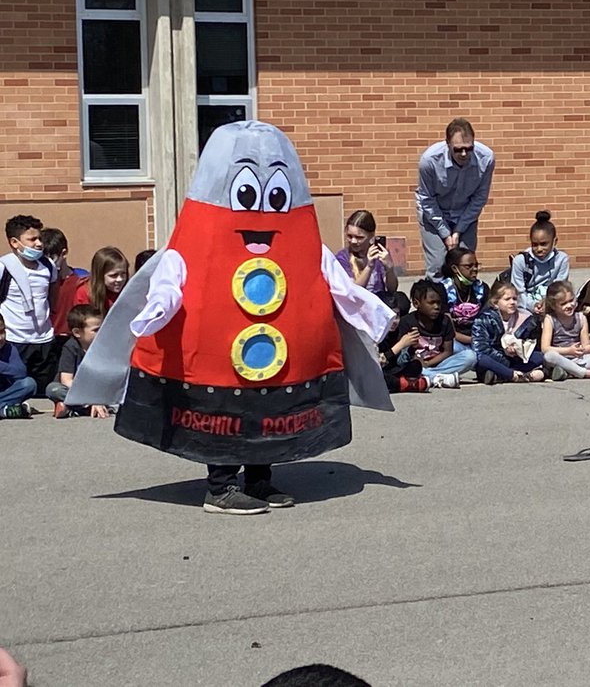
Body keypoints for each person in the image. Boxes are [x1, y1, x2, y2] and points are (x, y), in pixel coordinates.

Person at [64, 121, 398, 516]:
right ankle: (220, 488)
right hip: (216, 363)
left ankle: (259, 480)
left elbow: (340, 286)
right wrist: (156, 311)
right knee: (222, 419)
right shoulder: (196, 238)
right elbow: (171, 275)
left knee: (268, 414)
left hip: (278, 360)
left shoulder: (303, 241)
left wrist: (375, 314)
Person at [415, 117, 495, 277]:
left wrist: (458, 230)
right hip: (434, 214)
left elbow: (479, 198)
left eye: (468, 148)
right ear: (447, 144)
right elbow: (427, 200)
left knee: (466, 264)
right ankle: (439, 300)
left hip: (465, 213)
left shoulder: (486, 158)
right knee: (438, 265)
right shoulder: (429, 161)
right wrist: (445, 233)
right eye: (458, 149)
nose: (464, 154)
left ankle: (465, 302)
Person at [0, 215, 57, 393]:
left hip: (44, 339)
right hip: (15, 340)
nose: (39, 243)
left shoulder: (47, 265)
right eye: (32, 239)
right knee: (19, 386)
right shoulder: (4, 267)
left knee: (43, 391)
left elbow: (53, 295)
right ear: (15, 242)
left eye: (39, 238)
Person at [386, 279, 477, 389]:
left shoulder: (444, 321)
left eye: (438, 303)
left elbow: (448, 351)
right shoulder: (407, 322)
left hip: (438, 364)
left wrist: (428, 364)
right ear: (416, 303)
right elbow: (403, 356)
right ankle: (437, 378)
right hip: (416, 365)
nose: (436, 307)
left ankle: (432, 376)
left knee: (471, 357)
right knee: (409, 368)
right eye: (431, 303)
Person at [540, 281, 590, 379]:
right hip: (561, 358)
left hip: (578, 358)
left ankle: (568, 372)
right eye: (563, 303)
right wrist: (568, 350)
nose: (569, 305)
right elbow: (545, 348)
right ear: (554, 306)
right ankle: (585, 373)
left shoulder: (581, 318)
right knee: (549, 356)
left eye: (571, 300)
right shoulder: (550, 319)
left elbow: (586, 346)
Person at [472, 281, 546, 384]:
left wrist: (520, 350)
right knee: (482, 360)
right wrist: (504, 352)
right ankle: (515, 375)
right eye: (507, 299)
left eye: (514, 299)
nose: (512, 302)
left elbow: (533, 345)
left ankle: (500, 375)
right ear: (495, 303)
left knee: (540, 356)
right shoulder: (484, 320)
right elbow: (480, 349)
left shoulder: (526, 319)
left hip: (516, 360)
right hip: (496, 359)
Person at [335, 210, 406, 313]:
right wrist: (369, 266)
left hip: (376, 307)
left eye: (359, 237)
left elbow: (392, 289)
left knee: (402, 301)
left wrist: (389, 269)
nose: (353, 241)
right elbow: (354, 293)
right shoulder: (342, 258)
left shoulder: (379, 253)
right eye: (350, 236)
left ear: (371, 235)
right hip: (356, 311)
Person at [47, 304, 110, 419]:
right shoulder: (71, 347)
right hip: (74, 390)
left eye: (102, 328)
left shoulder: (103, 348)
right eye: (96, 330)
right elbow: (66, 381)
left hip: (97, 391)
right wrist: (91, 399)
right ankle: (89, 407)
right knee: (53, 389)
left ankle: (71, 409)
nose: (101, 333)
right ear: (77, 332)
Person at [509, 211, 570, 314]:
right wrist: (533, 305)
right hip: (525, 305)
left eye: (544, 244)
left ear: (554, 242)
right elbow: (519, 292)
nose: (539, 249)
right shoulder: (520, 261)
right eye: (534, 244)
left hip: (552, 303)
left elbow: (559, 287)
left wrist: (548, 303)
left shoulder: (562, 259)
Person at [41, 228, 86, 341]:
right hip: (46, 341)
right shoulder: (38, 282)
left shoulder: (82, 280)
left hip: (72, 340)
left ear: (64, 253)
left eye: (52, 258)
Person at [438, 247, 488, 346]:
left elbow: (487, 320)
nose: (475, 269)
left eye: (476, 265)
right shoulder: (442, 290)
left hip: (478, 337)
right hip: (453, 341)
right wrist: (473, 341)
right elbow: (451, 332)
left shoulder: (482, 288)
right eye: (469, 266)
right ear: (454, 268)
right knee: (469, 356)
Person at [0, 314, 36, 419]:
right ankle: (4, 410)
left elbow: (20, 373)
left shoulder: (9, 348)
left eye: (2, 331)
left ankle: (3, 409)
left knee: (29, 384)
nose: (1, 337)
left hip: (4, 393)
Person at [72, 246, 129, 311]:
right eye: (114, 275)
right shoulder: (85, 293)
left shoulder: (128, 292)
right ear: (100, 275)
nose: (120, 279)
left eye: (123, 274)